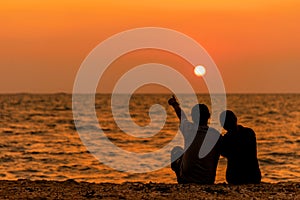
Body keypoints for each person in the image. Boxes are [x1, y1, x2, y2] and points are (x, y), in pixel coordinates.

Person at [168, 96, 222, 184]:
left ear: (192, 118)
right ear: (208, 116)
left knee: (176, 151)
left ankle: (180, 178)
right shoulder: (216, 135)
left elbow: (182, 117)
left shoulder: (189, 129)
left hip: (186, 179)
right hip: (208, 180)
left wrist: (175, 104)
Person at [219, 110, 261, 184]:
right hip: (254, 176)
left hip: (235, 178)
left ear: (223, 126)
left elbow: (224, 153)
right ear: (235, 119)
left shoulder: (227, 139)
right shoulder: (249, 132)